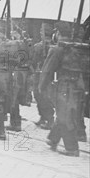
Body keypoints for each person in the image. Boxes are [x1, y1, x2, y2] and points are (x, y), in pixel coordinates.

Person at [41, 21, 89, 157]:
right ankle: (53, 138)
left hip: (65, 87)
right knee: (68, 113)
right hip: (79, 86)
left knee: (64, 116)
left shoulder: (58, 49)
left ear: (58, 33)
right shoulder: (81, 49)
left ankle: (72, 148)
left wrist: (42, 87)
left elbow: (47, 71)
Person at [32, 23, 55, 129]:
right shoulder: (53, 46)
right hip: (43, 74)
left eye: (42, 32)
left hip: (42, 74)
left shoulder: (41, 46)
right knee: (40, 95)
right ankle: (43, 117)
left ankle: (50, 119)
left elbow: (33, 61)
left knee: (43, 96)